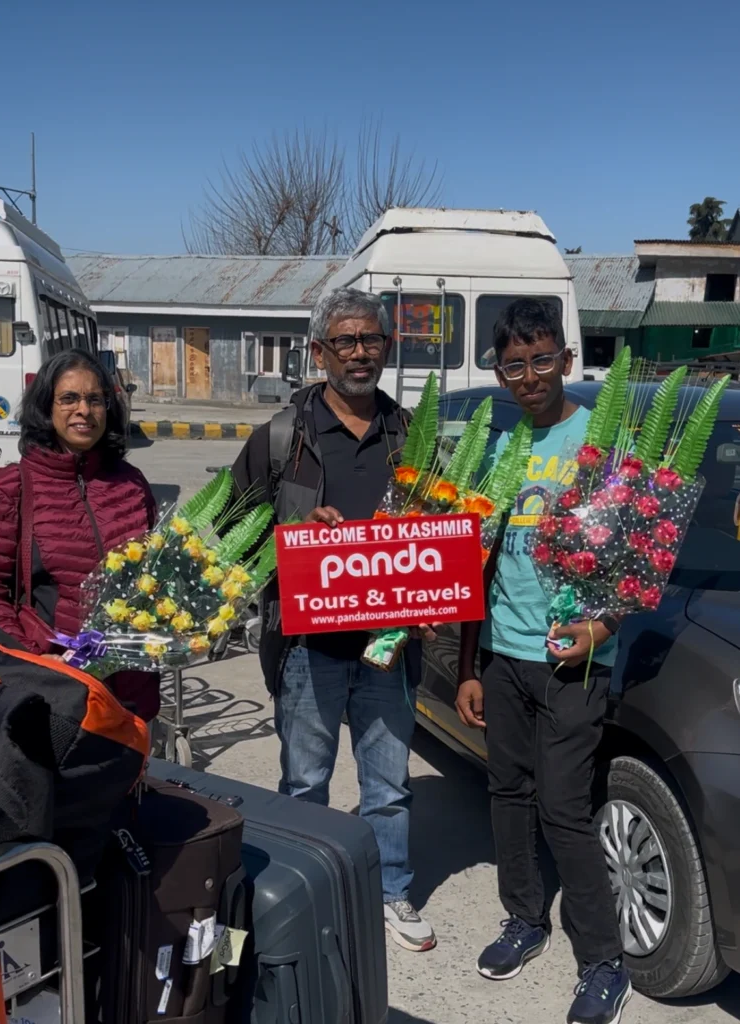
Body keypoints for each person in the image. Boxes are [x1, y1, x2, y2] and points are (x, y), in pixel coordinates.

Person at [232, 287, 437, 952]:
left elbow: (442, 526)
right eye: (344, 341)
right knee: (304, 783)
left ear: (387, 347)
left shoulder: (411, 435)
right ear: (319, 351)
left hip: (388, 645)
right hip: (307, 644)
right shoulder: (282, 439)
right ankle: (304, 892)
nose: (358, 352)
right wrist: (297, 529)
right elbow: (236, 532)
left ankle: (391, 892)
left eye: (370, 339)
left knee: (388, 785)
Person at [456, 299, 630, 1024]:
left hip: (574, 661)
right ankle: (524, 919)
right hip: (504, 654)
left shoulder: (603, 441)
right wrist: (469, 663)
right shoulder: (499, 449)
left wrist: (603, 625)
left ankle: (603, 963)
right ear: (500, 374)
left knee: (563, 808)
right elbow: (475, 564)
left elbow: (637, 553)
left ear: (565, 359)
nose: (528, 376)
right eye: (512, 364)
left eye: (540, 359)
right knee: (509, 794)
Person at [0, 348, 159, 722]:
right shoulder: (11, 489)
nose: (83, 410)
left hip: (130, 690)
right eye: (69, 398)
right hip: (51, 687)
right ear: (46, 408)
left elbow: (157, 572)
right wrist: (31, 657)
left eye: (95, 399)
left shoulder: (131, 484)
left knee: (126, 779)